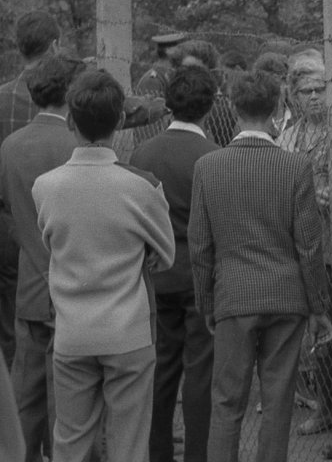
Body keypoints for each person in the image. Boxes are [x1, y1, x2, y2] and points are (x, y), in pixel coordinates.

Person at [33, 69, 176, 462]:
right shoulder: (141, 186)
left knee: (71, 441)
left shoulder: (45, 186)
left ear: (69, 121)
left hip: (72, 331)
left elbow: (50, 240)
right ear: (120, 121)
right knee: (129, 444)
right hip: (128, 332)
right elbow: (164, 254)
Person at [188, 70, 331, 462]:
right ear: (277, 108)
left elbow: (200, 246)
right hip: (286, 296)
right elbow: (309, 244)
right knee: (278, 397)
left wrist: (206, 302)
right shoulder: (295, 167)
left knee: (227, 401)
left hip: (233, 294)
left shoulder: (208, 166)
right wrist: (318, 305)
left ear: (232, 108)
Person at [130, 66, 221, 462]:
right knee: (201, 371)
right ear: (211, 106)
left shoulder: (143, 153)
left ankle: (157, 452)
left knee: (161, 367)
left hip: (156, 271)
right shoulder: (214, 157)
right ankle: (198, 453)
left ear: (167, 105)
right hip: (201, 275)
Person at [0, 54, 85, 462]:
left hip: (29, 283)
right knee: (67, 395)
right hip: (72, 284)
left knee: (26, 391)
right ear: (71, 94)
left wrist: (23, 238)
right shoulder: (76, 147)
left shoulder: (10, 146)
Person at [276, 50, 332, 454]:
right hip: (300, 243)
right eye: (307, 91)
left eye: (322, 89)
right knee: (315, 334)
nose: (315, 97)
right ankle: (326, 407)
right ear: (294, 96)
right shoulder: (290, 136)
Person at [0, 11, 62, 369]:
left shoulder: (3, 98)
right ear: (54, 46)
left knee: (12, 329)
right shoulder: (63, 103)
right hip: (51, 232)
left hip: (9, 224)